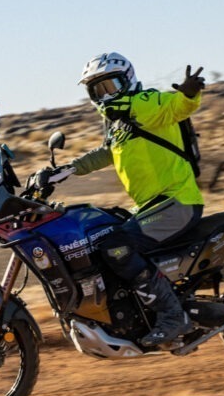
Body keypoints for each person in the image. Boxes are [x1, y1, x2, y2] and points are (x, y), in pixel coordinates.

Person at [40, 52, 206, 347]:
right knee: (104, 233)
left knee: (116, 247)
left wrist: (190, 93)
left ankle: (172, 315)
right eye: (98, 90)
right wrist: (65, 172)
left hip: (176, 201)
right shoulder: (119, 122)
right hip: (151, 206)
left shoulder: (146, 103)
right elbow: (106, 152)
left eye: (111, 86)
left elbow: (177, 108)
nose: (105, 95)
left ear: (127, 80)